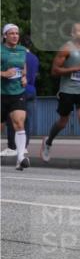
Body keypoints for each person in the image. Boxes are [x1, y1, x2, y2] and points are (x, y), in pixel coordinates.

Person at [42, 22, 80, 171]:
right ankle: (48, 142)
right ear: (72, 34)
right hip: (67, 89)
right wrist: (75, 68)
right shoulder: (66, 48)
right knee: (63, 121)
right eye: (79, 31)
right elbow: (54, 71)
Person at [1, 24, 31, 170]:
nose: (14, 36)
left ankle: (20, 158)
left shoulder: (21, 50)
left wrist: (24, 77)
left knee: (19, 123)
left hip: (17, 92)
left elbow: (23, 66)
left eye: (17, 33)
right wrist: (3, 74)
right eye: (11, 33)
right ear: (5, 36)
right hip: (1, 92)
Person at [3, 33, 37, 156]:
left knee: (12, 119)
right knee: (25, 121)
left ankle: (12, 147)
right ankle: (24, 147)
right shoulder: (34, 58)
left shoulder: (16, 55)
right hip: (31, 90)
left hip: (17, 90)